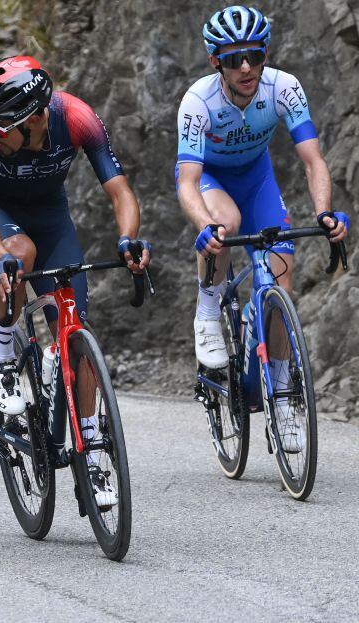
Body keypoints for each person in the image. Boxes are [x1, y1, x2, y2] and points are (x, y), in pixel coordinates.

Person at [0, 56, 150, 506]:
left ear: (35, 119)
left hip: (51, 217)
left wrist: (127, 241)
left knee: (74, 325)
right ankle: (3, 355)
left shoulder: (77, 118)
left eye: (4, 129)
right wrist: (0, 258)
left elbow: (120, 191)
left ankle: (92, 448)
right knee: (19, 255)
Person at [177, 5, 348, 451]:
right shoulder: (198, 102)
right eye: (235, 59)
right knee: (225, 224)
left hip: (257, 180)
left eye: (254, 55)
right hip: (213, 181)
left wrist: (325, 213)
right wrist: (203, 225)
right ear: (217, 62)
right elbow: (188, 182)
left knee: (280, 280)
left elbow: (313, 160)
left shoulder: (284, 88)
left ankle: (282, 395)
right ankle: (209, 309)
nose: (247, 67)